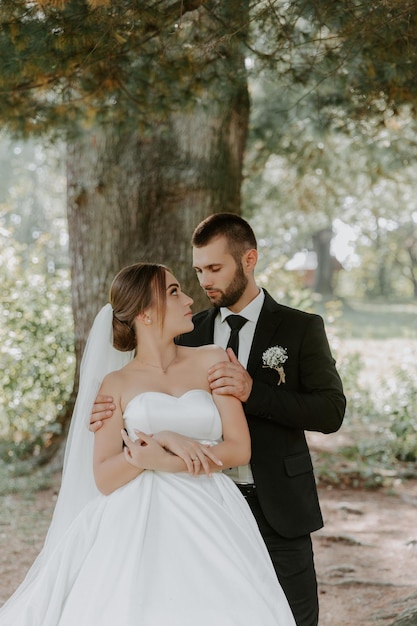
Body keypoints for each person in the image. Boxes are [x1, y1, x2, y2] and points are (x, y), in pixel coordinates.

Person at [0, 262, 296, 626]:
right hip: (136, 514)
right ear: (144, 312)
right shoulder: (116, 384)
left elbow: (238, 449)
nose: (189, 297)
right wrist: (159, 441)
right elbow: (106, 477)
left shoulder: (213, 360)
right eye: (173, 292)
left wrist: (166, 458)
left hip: (211, 508)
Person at [91, 214, 346, 626]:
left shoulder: (300, 328)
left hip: (277, 503)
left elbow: (331, 411)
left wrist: (253, 391)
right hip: (198, 503)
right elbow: (150, 396)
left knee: (294, 618)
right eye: (197, 270)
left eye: (214, 268)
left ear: (249, 259)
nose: (203, 281)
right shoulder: (188, 334)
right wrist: (109, 415)